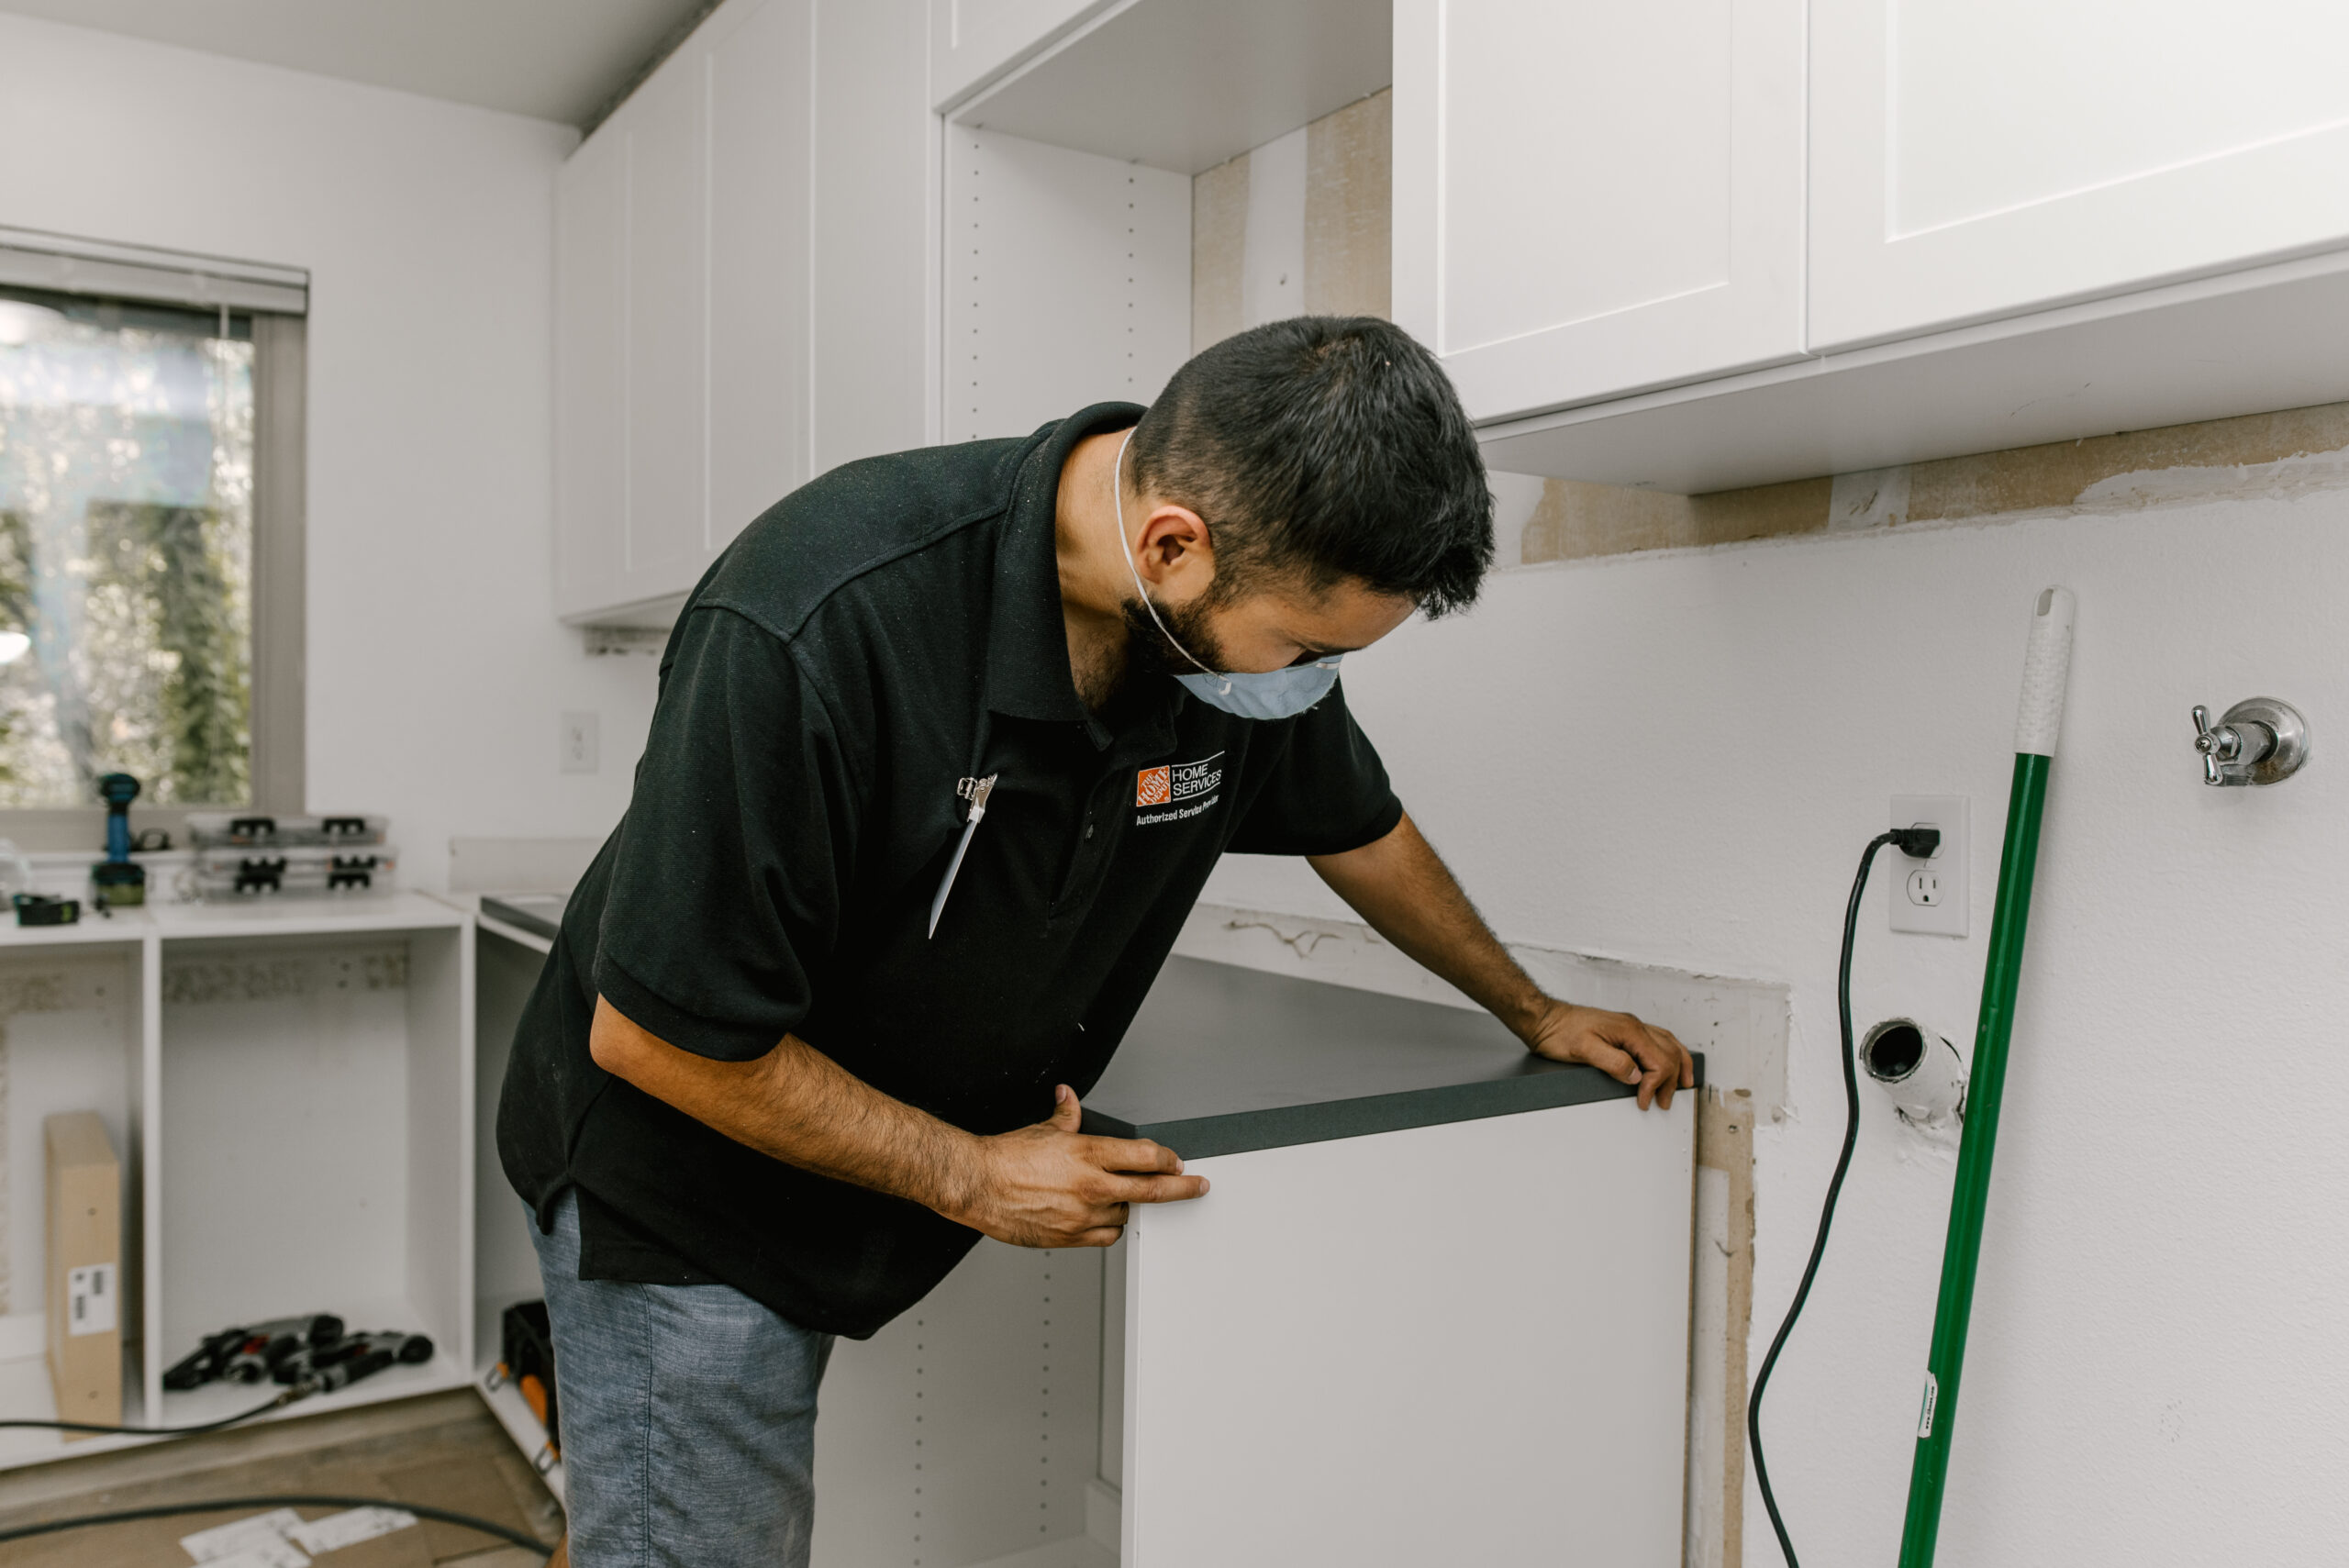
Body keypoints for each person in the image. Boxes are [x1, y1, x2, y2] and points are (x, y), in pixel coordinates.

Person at [497, 316, 1695, 1568]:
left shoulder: (1221, 633)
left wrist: (1533, 1010)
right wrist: (971, 1171)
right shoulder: (818, 619)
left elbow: (1361, 827)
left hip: (871, 1171)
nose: (1305, 684)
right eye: (1303, 648)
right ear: (1175, 544)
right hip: (687, 1189)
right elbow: (657, 1034)